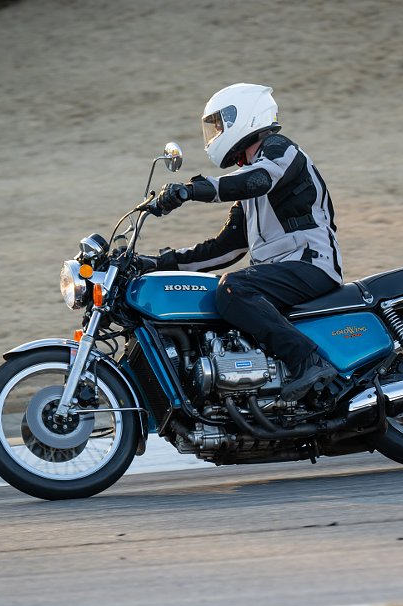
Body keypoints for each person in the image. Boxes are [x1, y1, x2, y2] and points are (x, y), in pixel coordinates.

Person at [146, 83, 343, 401]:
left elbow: (257, 179)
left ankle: (309, 362)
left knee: (234, 288)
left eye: (219, 124)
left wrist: (192, 189)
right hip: (280, 272)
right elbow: (225, 248)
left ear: (245, 115)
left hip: (310, 263)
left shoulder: (280, 150)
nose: (215, 133)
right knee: (218, 295)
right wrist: (158, 263)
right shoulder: (250, 188)